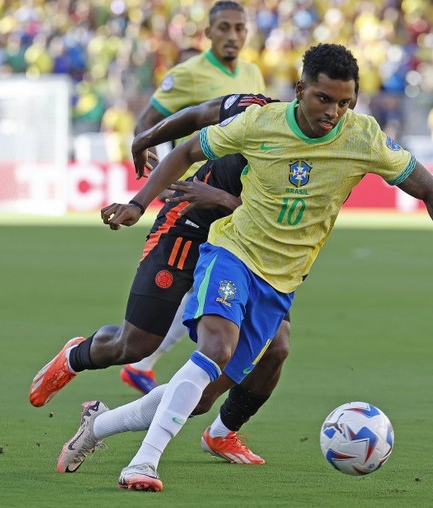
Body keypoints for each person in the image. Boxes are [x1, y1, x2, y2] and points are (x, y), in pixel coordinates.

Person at [92, 43, 433, 492]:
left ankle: (96, 426)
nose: (333, 113)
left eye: (345, 103)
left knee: (202, 397)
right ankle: (143, 464)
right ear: (301, 89)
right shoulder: (261, 122)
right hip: (232, 251)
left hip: (280, 281)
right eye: (324, 98)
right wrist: (138, 203)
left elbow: (431, 190)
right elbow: (188, 150)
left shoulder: (362, 138)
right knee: (215, 348)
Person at [30, 93, 285, 466]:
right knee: (135, 345)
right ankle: (75, 356)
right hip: (189, 226)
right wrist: (145, 148)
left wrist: (224, 199)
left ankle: (221, 432)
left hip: (246, 247)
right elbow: (196, 117)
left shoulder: (325, 154)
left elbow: (283, 218)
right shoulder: (255, 109)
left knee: (275, 348)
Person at [123, 0, 266, 393]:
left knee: (210, 286)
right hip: (193, 193)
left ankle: (146, 365)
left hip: (232, 194)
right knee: (196, 284)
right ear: (209, 32)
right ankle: (147, 363)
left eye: (239, 28)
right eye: (224, 28)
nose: (232, 36)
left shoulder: (252, 72)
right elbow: (147, 123)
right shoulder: (187, 73)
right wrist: (158, 169)